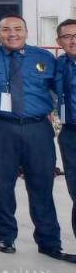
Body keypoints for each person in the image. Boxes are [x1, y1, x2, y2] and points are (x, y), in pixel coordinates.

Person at [0, 15, 74, 262]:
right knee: (3, 184)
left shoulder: (45, 58)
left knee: (42, 186)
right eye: (6, 29)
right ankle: (6, 236)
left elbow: (59, 88)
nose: (12, 34)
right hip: (1, 127)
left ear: (27, 32)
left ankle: (49, 241)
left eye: (18, 29)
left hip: (38, 128)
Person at [55, 19, 76, 241]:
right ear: (59, 41)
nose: (73, 40)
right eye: (67, 36)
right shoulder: (58, 65)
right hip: (70, 133)